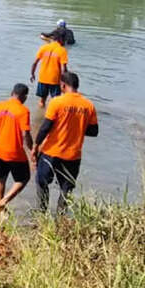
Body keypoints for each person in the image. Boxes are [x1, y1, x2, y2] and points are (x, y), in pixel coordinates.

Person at [32, 71, 98, 214]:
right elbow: (94, 131)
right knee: (66, 188)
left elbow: (45, 127)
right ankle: (61, 218)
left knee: (41, 182)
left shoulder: (57, 102)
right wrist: (77, 127)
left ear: (62, 85)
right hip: (73, 155)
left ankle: (41, 214)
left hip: (51, 152)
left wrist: (36, 145)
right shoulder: (88, 105)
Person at [0, 83, 34, 211]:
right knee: (23, 179)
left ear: (12, 93)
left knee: (1, 180)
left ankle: (0, 210)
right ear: (24, 97)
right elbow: (26, 134)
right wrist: (32, 150)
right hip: (15, 153)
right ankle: (4, 201)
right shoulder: (23, 111)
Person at [31, 31, 69, 108]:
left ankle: (40, 117)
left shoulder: (43, 48)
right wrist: (64, 82)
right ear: (61, 39)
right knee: (55, 101)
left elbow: (35, 63)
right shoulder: (62, 50)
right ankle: (52, 117)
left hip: (42, 78)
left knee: (42, 100)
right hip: (55, 80)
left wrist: (32, 74)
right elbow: (63, 69)